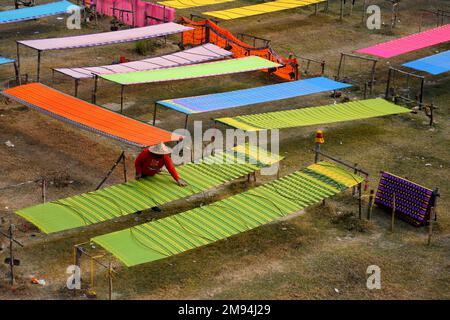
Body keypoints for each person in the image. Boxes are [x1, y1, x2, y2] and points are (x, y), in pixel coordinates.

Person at [135, 143, 185, 212]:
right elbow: (137, 162)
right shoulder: (145, 153)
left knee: (152, 190)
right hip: (142, 173)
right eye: (158, 154)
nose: (159, 156)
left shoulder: (165, 157)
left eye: (161, 154)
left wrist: (177, 179)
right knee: (140, 190)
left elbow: (171, 168)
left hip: (153, 174)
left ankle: (153, 205)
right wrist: (139, 172)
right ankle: (138, 208)